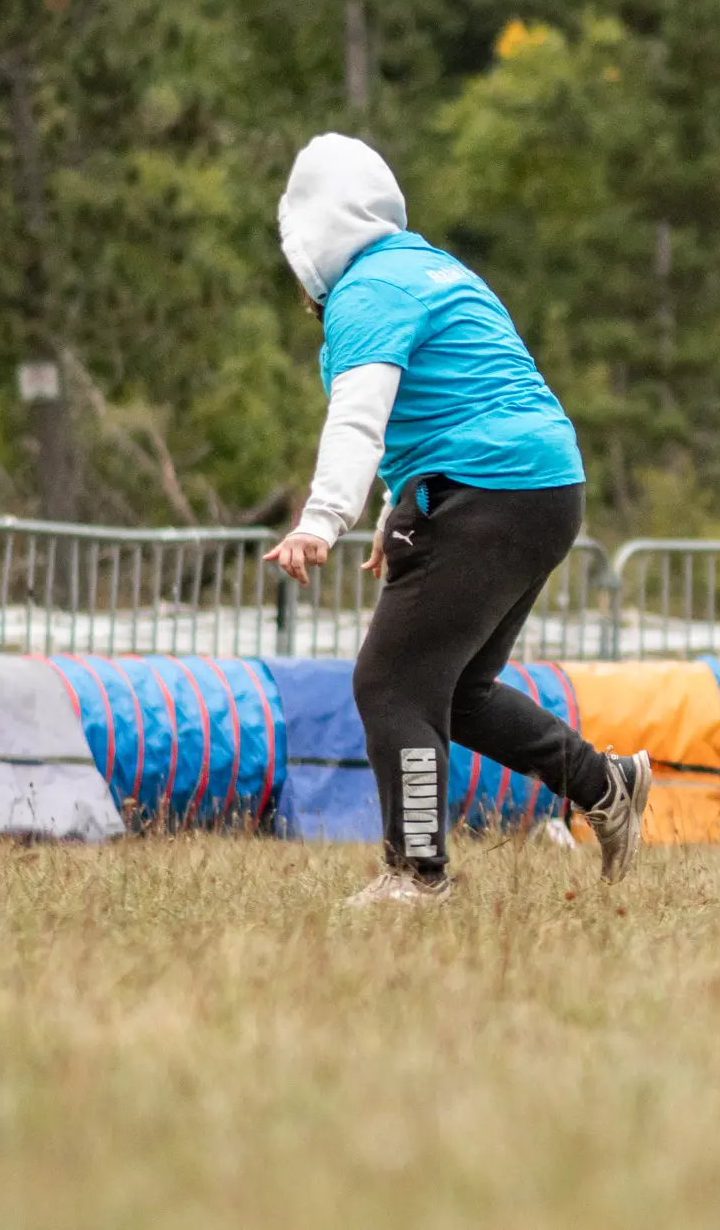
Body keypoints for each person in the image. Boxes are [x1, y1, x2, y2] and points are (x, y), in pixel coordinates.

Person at [261, 133, 651, 905]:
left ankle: (417, 873)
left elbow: (359, 417)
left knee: (392, 685)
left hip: (486, 486)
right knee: (461, 687)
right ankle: (605, 783)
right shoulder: (433, 268)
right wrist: (392, 511)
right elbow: (445, 402)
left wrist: (322, 517)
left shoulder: (366, 292)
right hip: (547, 485)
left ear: (314, 239)